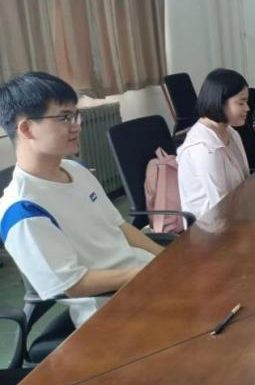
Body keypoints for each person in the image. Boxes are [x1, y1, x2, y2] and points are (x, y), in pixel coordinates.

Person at [0, 72, 163, 327]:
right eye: (65, 117)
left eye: (76, 116)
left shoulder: (75, 169)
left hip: (146, 281)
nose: (77, 125)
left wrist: (164, 259)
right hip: (113, 311)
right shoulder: (22, 209)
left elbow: (120, 226)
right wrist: (146, 273)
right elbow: (73, 284)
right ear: (27, 128)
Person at [177, 69, 250, 220]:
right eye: (241, 103)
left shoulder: (231, 133)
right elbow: (221, 206)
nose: (247, 108)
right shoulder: (204, 149)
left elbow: (245, 179)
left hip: (237, 212)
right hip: (210, 226)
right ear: (220, 103)